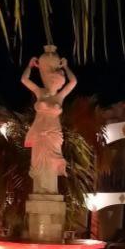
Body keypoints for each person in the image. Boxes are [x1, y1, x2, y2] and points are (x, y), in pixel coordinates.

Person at [21, 51, 77, 194]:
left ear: (59, 84)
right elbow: (24, 80)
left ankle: (51, 190)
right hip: (39, 131)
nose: (53, 83)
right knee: (38, 160)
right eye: (52, 80)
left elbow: (73, 82)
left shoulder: (60, 97)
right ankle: (39, 190)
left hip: (53, 133)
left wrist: (66, 67)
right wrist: (29, 66)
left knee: (52, 161)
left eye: (57, 82)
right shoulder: (39, 92)